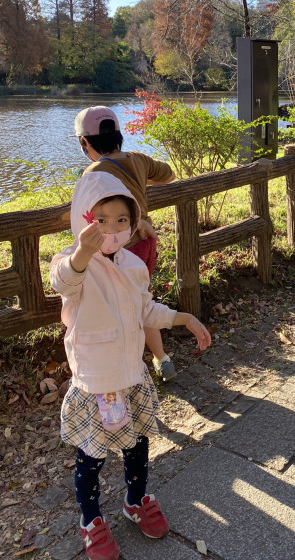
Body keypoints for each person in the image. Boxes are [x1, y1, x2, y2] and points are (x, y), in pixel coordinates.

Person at [50, 171, 211, 560]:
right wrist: (83, 253)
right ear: (83, 220)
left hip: (131, 377)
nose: (111, 229)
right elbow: (63, 284)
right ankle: (92, 520)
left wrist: (182, 318)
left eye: (121, 220)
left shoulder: (133, 265)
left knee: (138, 445)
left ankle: (135, 500)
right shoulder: (72, 264)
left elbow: (145, 310)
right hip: (96, 382)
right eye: (100, 220)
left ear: (133, 221)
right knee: (92, 456)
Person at [74, 105, 178, 382]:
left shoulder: (94, 173)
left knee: (124, 309)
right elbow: (168, 174)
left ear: (85, 142)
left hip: (118, 252)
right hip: (146, 246)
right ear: (118, 134)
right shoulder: (138, 159)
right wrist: (141, 182)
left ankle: (130, 367)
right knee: (142, 302)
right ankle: (162, 360)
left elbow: (85, 215)